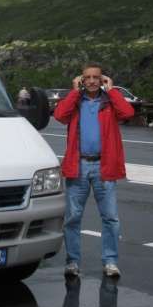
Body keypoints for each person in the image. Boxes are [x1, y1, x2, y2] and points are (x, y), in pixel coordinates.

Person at [53, 62, 135, 279]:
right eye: (87, 77)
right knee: (72, 218)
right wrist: (73, 92)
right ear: (81, 80)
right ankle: (72, 262)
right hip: (78, 166)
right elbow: (59, 115)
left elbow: (127, 112)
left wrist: (112, 90)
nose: (91, 81)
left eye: (95, 77)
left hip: (104, 166)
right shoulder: (76, 101)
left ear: (102, 80)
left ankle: (110, 262)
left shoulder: (109, 101)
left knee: (110, 217)